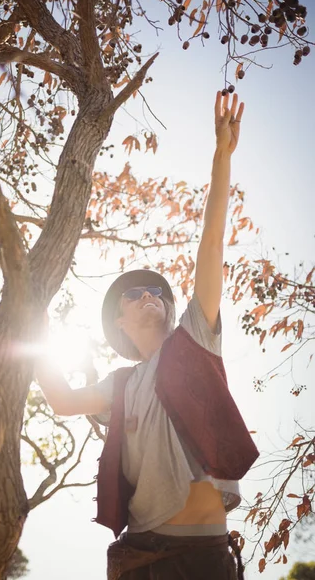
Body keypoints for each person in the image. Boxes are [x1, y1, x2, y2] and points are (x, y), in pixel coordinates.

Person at [36, 91, 259, 580]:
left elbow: (211, 243)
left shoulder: (194, 340)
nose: (149, 295)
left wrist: (221, 158)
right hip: (139, 556)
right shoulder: (120, 385)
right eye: (135, 294)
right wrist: (33, 329)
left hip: (204, 556)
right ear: (119, 321)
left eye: (156, 291)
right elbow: (61, 399)